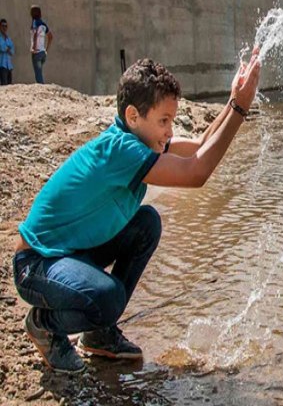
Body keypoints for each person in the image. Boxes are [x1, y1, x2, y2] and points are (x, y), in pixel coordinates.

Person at [12, 51, 261, 373]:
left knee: (146, 223)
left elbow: (199, 146)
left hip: (68, 255)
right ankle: (45, 324)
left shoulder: (140, 140)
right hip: (36, 266)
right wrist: (241, 109)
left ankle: (98, 334)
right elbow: (196, 174)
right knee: (107, 298)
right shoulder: (121, 149)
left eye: (172, 120)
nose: (170, 131)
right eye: (164, 121)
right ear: (133, 116)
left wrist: (231, 102)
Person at [30, 5, 53, 84]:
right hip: (43, 52)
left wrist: (34, 47)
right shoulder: (43, 24)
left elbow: (35, 34)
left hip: (37, 52)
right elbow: (50, 36)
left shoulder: (35, 22)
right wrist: (46, 50)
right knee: (39, 72)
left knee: (38, 75)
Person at [0, 18, 15, 86]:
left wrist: (7, 48)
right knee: (4, 85)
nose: (4, 27)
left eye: (6, 26)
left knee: (9, 86)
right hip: (2, 64)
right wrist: (7, 48)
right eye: (3, 26)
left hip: (9, 65)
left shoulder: (8, 38)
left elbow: (12, 51)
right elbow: (2, 48)